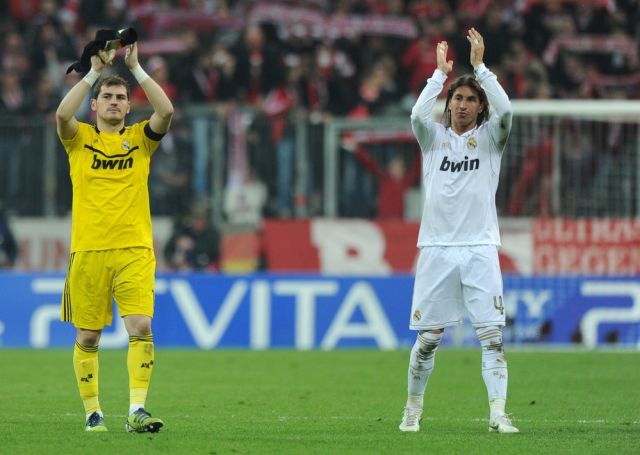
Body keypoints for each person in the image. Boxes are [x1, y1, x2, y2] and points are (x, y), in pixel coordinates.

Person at [399, 29, 519, 434]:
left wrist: (481, 69)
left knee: (492, 337)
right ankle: (413, 408)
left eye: (470, 99)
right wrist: (439, 76)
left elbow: (507, 112)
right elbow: (417, 116)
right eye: (458, 98)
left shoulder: (490, 141)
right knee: (428, 339)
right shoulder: (433, 139)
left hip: (480, 247)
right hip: (436, 248)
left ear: (480, 107)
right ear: (448, 103)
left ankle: (498, 413)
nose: (463, 104)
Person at [55, 41, 174, 432]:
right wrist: (92, 72)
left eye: (121, 98)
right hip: (89, 250)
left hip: (134, 249)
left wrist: (136, 68)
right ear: (95, 104)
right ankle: (93, 412)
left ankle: (137, 410)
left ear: (127, 106)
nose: (113, 102)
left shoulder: (140, 139)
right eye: (106, 96)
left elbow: (166, 111)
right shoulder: (79, 139)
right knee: (88, 336)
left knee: (140, 326)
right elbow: (62, 114)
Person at [164, 205, 220, 271]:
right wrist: (173, 258)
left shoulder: (212, 234)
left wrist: (193, 245)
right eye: (195, 219)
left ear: (205, 220)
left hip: (204, 270)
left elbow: (215, 255)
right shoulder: (183, 232)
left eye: (200, 219)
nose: (197, 222)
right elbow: (167, 251)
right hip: (182, 269)